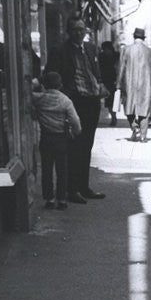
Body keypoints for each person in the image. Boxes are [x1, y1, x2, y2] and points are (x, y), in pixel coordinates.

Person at [44, 14, 107, 203]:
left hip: (92, 102)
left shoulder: (90, 48)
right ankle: (72, 190)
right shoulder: (60, 51)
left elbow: (95, 72)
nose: (79, 33)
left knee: (87, 146)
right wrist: (66, 95)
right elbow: (51, 75)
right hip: (75, 103)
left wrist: (101, 85)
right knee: (75, 147)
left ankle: (83, 186)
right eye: (75, 30)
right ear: (68, 32)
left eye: (82, 29)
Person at [32, 71, 81, 209]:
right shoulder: (65, 100)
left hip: (46, 137)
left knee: (47, 170)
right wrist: (75, 132)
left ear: (44, 85)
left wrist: (35, 83)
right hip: (61, 138)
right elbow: (75, 120)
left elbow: (25, 93)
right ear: (60, 84)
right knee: (62, 170)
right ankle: (62, 200)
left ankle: (49, 199)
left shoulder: (39, 98)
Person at [117, 28, 151, 143]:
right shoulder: (150, 51)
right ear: (143, 38)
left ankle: (134, 127)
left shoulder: (126, 50)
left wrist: (118, 84)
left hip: (129, 84)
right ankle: (143, 136)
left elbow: (121, 68)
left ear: (134, 37)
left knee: (129, 107)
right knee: (144, 109)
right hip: (146, 84)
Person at [98, 41, 119, 126]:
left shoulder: (116, 55)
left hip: (113, 81)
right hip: (105, 81)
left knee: (112, 101)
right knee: (109, 101)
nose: (105, 51)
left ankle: (114, 117)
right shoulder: (101, 56)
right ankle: (113, 117)